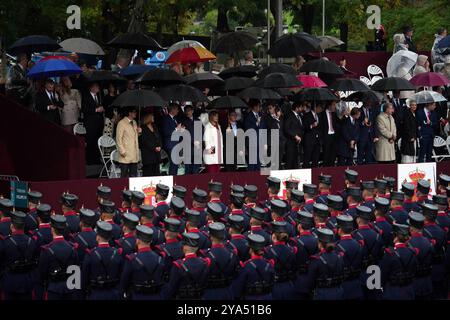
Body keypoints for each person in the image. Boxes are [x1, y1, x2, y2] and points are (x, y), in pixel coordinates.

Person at [38, 215, 80, 300]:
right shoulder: (72, 247)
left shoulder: (47, 250)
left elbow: (42, 274)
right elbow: (77, 270)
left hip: (54, 288)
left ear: (52, 229)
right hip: (70, 288)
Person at [120, 225, 166, 300]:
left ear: (138, 241)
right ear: (150, 241)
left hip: (137, 296)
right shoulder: (159, 258)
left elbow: (124, 283)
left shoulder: (132, 259)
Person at [0, 211, 38, 300]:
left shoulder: (6, 243)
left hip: (10, 282)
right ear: (24, 226)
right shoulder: (31, 241)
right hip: (27, 282)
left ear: (12, 226)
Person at [82, 221, 124, 300]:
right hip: (114, 293)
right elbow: (121, 275)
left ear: (97, 237)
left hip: (96, 294)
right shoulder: (117, 253)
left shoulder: (91, 254)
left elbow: (84, 278)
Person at [165, 232, 211, 299]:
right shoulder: (205, 262)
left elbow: (172, 288)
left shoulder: (178, 265)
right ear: (197, 248)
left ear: (184, 247)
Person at [302, 228, 344, 300]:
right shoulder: (339, 256)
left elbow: (310, 281)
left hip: (322, 294)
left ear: (320, 243)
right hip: (338, 292)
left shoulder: (316, 259)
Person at [380, 223, 418, 300]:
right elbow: (414, 270)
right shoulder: (412, 252)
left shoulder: (389, 253)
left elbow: (383, 274)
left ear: (396, 237)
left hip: (393, 291)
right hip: (408, 290)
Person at [232, 233, 275, 300]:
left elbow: (238, 288)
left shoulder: (246, 266)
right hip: (267, 297)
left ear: (251, 250)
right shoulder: (269, 264)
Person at [202, 222, 239, 300]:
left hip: (210, 293)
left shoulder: (206, 254)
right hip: (228, 292)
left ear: (211, 237)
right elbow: (236, 273)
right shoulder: (232, 254)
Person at [407, 212, 434, 300]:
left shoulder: (408, 243)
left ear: (411, 229)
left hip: (412, 283)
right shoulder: (429, 242)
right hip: (427, 282)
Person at [82, 82, 105, 165]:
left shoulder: (99, 96)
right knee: (90, 141)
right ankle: (89, 160)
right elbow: (84, 109)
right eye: (96, 87)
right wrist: (96, 110)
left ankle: (96, 159)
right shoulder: (86, 96)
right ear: (91, 88)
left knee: (97, 141)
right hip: (90, 123)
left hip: (99, 122)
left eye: (98, 87)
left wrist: (102, 109)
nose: (98, 88)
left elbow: (101, 105)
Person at [116, 107, 141, 177]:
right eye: (134, 112)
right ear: (129, 113)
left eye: (136, 112)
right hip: (125, 154)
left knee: (133, 176)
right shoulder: (121, 123)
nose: (135, 113)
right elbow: (118, 138)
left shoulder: (135, 122)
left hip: (134, 154)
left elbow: (134, 137)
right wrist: (122, 151)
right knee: (124, 176)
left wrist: (139, 133)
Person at [244, 99, 266, 171]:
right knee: (252, 163)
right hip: (252, 143)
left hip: (260, 143)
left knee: (258, 164)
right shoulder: (248, 116)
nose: (260, 108)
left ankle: (257, 179)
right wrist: (256, 123)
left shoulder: (261, 115)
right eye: (259, 106)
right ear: (254, 107)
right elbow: (248, 129)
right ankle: (250, 180)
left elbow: (263, 128)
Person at [139, 112, 162, 177]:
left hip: (156, 155)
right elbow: (145, 141)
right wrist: (154, 148)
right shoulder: (142, 128)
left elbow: (159, 137)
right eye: (152, 116)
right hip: (148, 155)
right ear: (148, 118)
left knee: (156, 173)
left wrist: (160, 146)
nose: (153, 117)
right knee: (148, 173)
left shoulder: (154, 126)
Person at [283, 102, 304, 169]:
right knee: (289, 162)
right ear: (297, 108)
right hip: (290, 143)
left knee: (296, 163)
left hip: (297, 143)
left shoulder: (299, 115)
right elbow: (286, 128)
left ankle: (295, 178)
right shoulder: (289, 115)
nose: (301, 109)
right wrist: (295, 136)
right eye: (300, 107)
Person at [182, 104, 202, 174]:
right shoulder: (183, 122)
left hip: (197, 147)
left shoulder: (198, 120)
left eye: (189, 111)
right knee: (188, 168)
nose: (187, 112)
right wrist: (193, 141)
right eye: (186, 111)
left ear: (192, 111)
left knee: (196, 168)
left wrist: (199, 141)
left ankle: (196, 182)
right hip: (187, 147)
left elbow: (202, 132)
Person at [162, 103, 181, 175]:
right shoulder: (166, 119)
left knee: (176, 163)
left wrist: (180, 130)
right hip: (170, 145)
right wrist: (176, 129)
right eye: (176, 109)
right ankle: (172, 178)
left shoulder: (174, 119)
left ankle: (174, 177)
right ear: (172, 109)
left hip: (175, 144)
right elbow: (166, 132)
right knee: (174, 163)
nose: (178, 111)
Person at [320, 101, 339, 166]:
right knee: (326, 154)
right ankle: (325, 169)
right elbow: (321, 127)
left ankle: (332, 168)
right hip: (326, 136)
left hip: (334, 136)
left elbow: (339, 123)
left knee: (333, 154)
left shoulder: (334, 114)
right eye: (333, 105)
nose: (335, 107)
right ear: (329, 106)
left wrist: (344, 115)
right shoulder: (322, 114)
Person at [357, 100, 376, 164]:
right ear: (364, 102)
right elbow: (356, 123)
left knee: (369, 155)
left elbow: (373, 123)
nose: (370, 103)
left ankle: (368, 170)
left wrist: (375, 136)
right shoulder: (359, 111)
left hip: (370, 136)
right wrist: (363, 122)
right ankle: (360, 169)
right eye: (369, 102)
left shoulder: (372, 111)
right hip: (361, 137)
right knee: (360, 155)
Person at [400, 99, 418, 163]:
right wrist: (411, 136)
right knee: (407, 154)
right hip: (408, 138)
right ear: (409, 106)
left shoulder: (415, 114)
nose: (414, 106)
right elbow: (406, 127)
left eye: (415, 105)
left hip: (414, 136)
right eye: (412, 105)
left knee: (413, 153)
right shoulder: (407, 114)